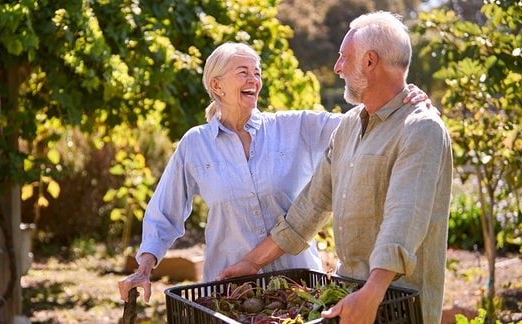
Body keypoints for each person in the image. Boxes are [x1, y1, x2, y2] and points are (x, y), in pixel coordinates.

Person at [117, 41, 431, 304]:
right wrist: (144, 268)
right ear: (216, 85)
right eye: (243, 73)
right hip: (232, 289)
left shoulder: (295, 127)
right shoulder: (195, 144)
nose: (254, 79)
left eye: (257, 73)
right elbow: (163, 214)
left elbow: (364, 123)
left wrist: (402, 100)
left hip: (299, 286)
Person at [217, 12, 453, 324]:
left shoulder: (420, 129)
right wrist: (251, 262)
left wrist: (371, 294)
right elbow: (310, 208)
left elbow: (404, 219)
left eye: (344, 57)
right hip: (348, 296)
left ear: (369, 61)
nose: (337, 67)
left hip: (397, 305)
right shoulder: (349, 126)